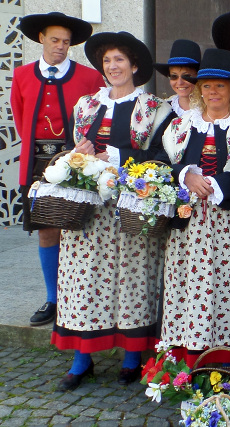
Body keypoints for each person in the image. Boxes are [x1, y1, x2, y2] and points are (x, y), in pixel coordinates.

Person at [51, 31, 172, 391]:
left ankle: (133, 357)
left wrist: (120, 158)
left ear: (135, 66)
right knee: (84, 280)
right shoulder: (85, 105)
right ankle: (81, 359)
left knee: (132, 280)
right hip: (88, 213)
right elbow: (69, 152)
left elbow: (164, 161)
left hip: (131, 209)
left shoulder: (155, 109)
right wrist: (79, 157)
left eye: (120, 60)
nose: (113, 66)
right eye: (107, 61)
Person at [158, 48, 230, 367]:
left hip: (227, 220)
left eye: (220, 85)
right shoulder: (181, 126)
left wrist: (216, 186)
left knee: (224, 283)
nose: (213, 92)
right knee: (185, 284)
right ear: (199, 90)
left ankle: (222, 356)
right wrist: (185, 174)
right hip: (187, 222)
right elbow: (161, 164)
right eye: (207, 85)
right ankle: (184, 356)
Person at [11, 11, 104, 327]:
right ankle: (53, 298)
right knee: (47, 231)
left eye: (66, 42)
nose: (61, 47)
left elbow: (96, 120)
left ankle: (79, 297)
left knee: (76, 230)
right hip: (37, 162)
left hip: (75, 161)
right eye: (55, 40)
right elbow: (21, 117)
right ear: (41, 39)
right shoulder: (22, 75)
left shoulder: (89, 78)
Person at [154, 39, 201, 117]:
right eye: (174, 76)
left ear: (198, 76)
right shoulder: (163, 109)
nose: (180, 82)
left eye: (186, 76)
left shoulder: (209, 109)